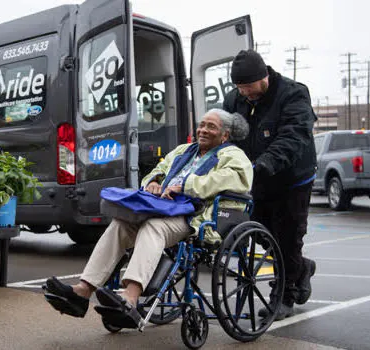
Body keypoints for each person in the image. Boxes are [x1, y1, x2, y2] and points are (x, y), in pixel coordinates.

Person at [44, 108, 253, 327]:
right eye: (202, 124)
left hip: (196, 215)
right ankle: (83, 291)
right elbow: (159, 169)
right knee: (120, 224)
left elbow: (233, 179)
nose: (203, 130)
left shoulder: (233, 155)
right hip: (163, 207)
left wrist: (186, 186)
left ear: (225, 135)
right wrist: (153, 181)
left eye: (211, 127)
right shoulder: (185, 150)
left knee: (154, 227)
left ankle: (130, 296)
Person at [223, 49, 317, 320]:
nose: (245, 93)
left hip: (292, 179)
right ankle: (302, 268)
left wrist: (265, 163)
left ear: (264, 77)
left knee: (288, 237)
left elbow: (293, 134)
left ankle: (284, 298)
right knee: (264, 235)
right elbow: (226, 131)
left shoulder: (293, 93)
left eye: (249, 87)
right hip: (255, 179)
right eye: (240, 88)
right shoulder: (235, 99)